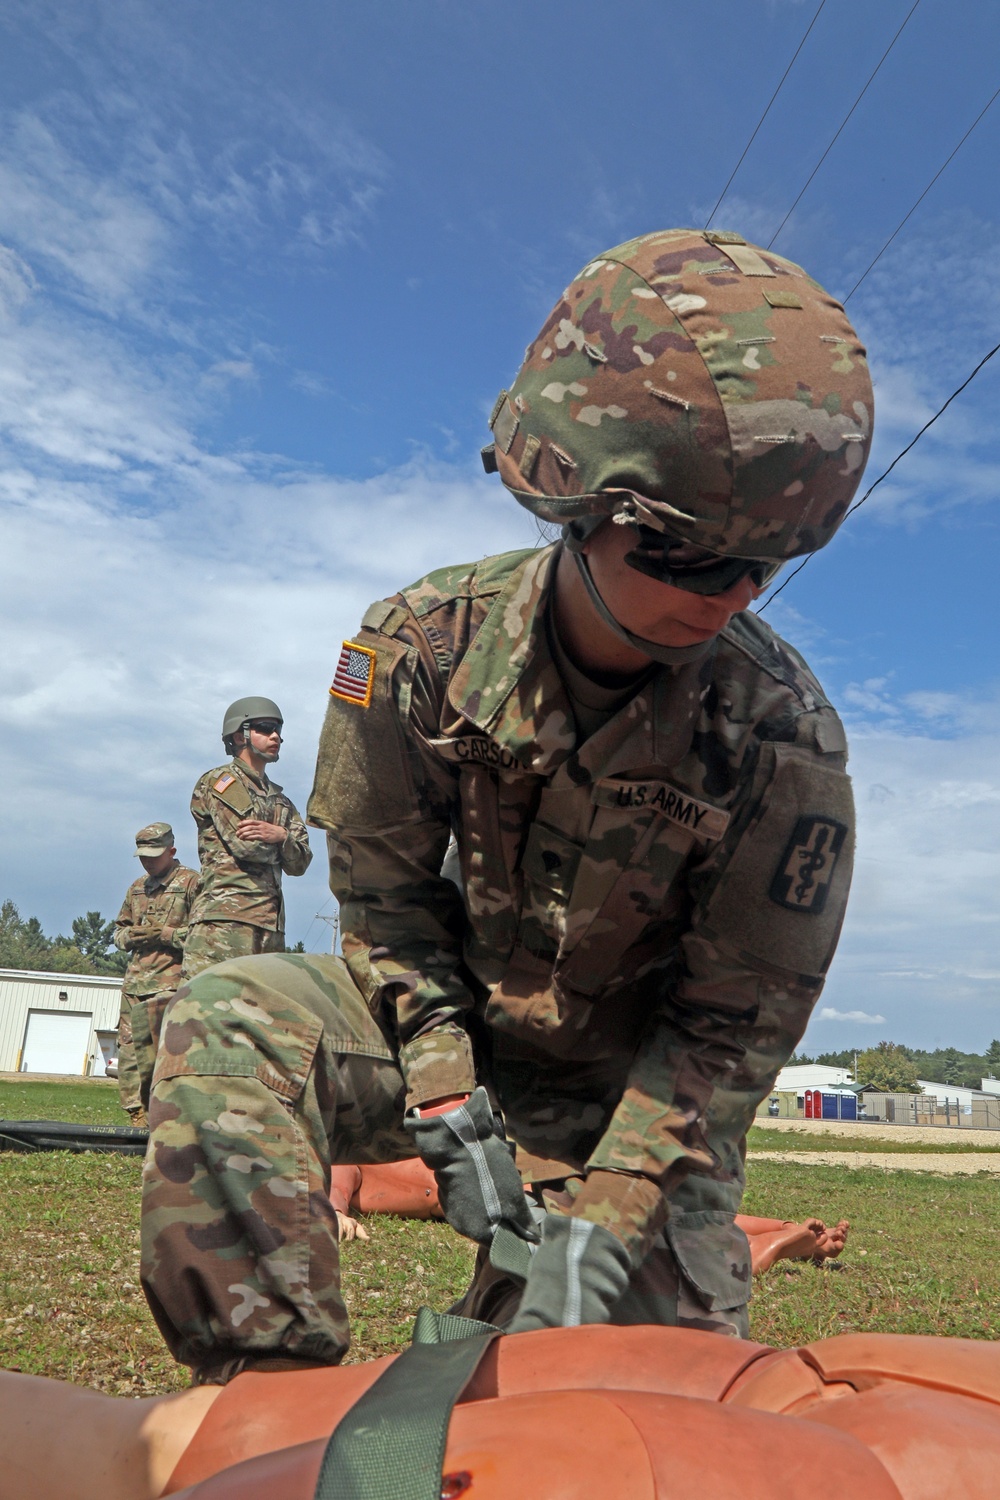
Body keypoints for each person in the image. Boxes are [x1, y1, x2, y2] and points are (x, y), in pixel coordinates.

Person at [141, 227, 873, 1383]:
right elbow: (381, 897)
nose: (724, 598)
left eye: (761, 569)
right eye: (684, 560)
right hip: (450, 1028)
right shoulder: (420, 651)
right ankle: (266, 1399)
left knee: (631, 1407)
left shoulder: (781, 736)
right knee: (232, 1016)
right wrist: (441, 1091)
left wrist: (610, 1211)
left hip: (634, 1101)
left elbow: (729, 1029)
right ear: (574, 499)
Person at [181, 697, 313, 979]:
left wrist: (280, 835)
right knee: (212, 1017)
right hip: (225, 924)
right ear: (240, 734)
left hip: (270, 927)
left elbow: (301, 863)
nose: (276, 736)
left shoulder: (281, 800)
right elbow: (247, 846)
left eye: (278, 729)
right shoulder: (221, 782)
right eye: (265, 728)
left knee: (260, 1018)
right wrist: (285, 843)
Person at [112, 823, 197, 1125]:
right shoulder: (137, 888)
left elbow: (206, 937)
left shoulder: (192, 884)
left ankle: (170, 1117)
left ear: (171, 851)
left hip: (172, 984)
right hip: (136, 982)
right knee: (130, 1050)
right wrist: (129, 937)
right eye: (143, 856)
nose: (148, 862)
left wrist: (166, 934)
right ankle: (137, 1115)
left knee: (167, 1052)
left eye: (154, 855)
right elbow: (118, 932)